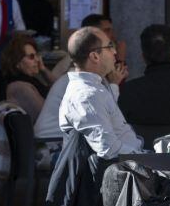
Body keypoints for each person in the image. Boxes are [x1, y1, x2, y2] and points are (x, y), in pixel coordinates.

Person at [59, 27, 144, 158]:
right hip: (129, 167)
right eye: (110, 46)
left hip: (134, 159)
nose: (115, 52)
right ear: (95, 56)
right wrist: (146, 159)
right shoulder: (86, 96)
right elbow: (109, 149)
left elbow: (107, 113)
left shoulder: (94, 86)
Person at [0, 33, 53, 124]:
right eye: (31, 57)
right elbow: (47, 117)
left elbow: (59, 89)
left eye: (37, 55)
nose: (37, 60)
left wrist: (43, 70)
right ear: (17, 62)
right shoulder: (20, 87)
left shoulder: (30, 80)